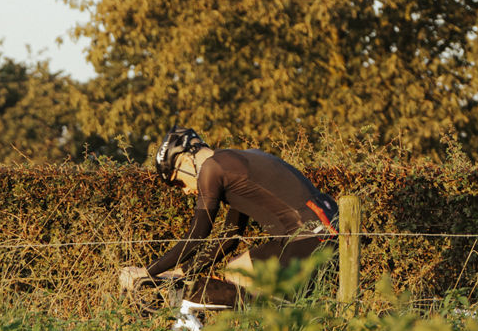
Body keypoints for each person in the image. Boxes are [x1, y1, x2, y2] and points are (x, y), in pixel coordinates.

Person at [119, 127, 339, 308]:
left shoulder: (212, 169)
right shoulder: (230, 164)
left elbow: (198, 234)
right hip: (314, 236)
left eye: (178, 182)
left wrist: (146, 271)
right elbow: (229, 237)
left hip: (312, 239)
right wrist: (181, 272)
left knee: (278, 307)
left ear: (186, 160)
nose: (184, 191)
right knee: (237, 270)